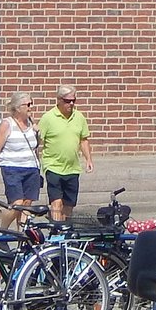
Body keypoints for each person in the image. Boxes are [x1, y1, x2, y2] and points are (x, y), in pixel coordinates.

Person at [0, 92, 41, 230]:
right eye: (28, 104)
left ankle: (22, 236)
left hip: (31, 168)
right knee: (17, 203)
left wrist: (38, 134)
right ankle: (2, 230)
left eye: (31, 103)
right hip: (12, 168)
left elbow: (37, 146)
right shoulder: (7, 124)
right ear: (17, 108)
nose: (31, 107)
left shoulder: (32, 123)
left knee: (27, 204)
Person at [38, 84, 94, 221]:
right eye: (67, 101)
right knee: (56, 203)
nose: (71, 104)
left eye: (73, 101)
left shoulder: (79, 117)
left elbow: (83, 140)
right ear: (59, 100)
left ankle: (66, 231)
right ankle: (57, 231)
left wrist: (88, 159)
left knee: (69, 205)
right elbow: (38, 141)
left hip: (72, 168)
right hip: (53, 166)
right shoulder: (48, 118)